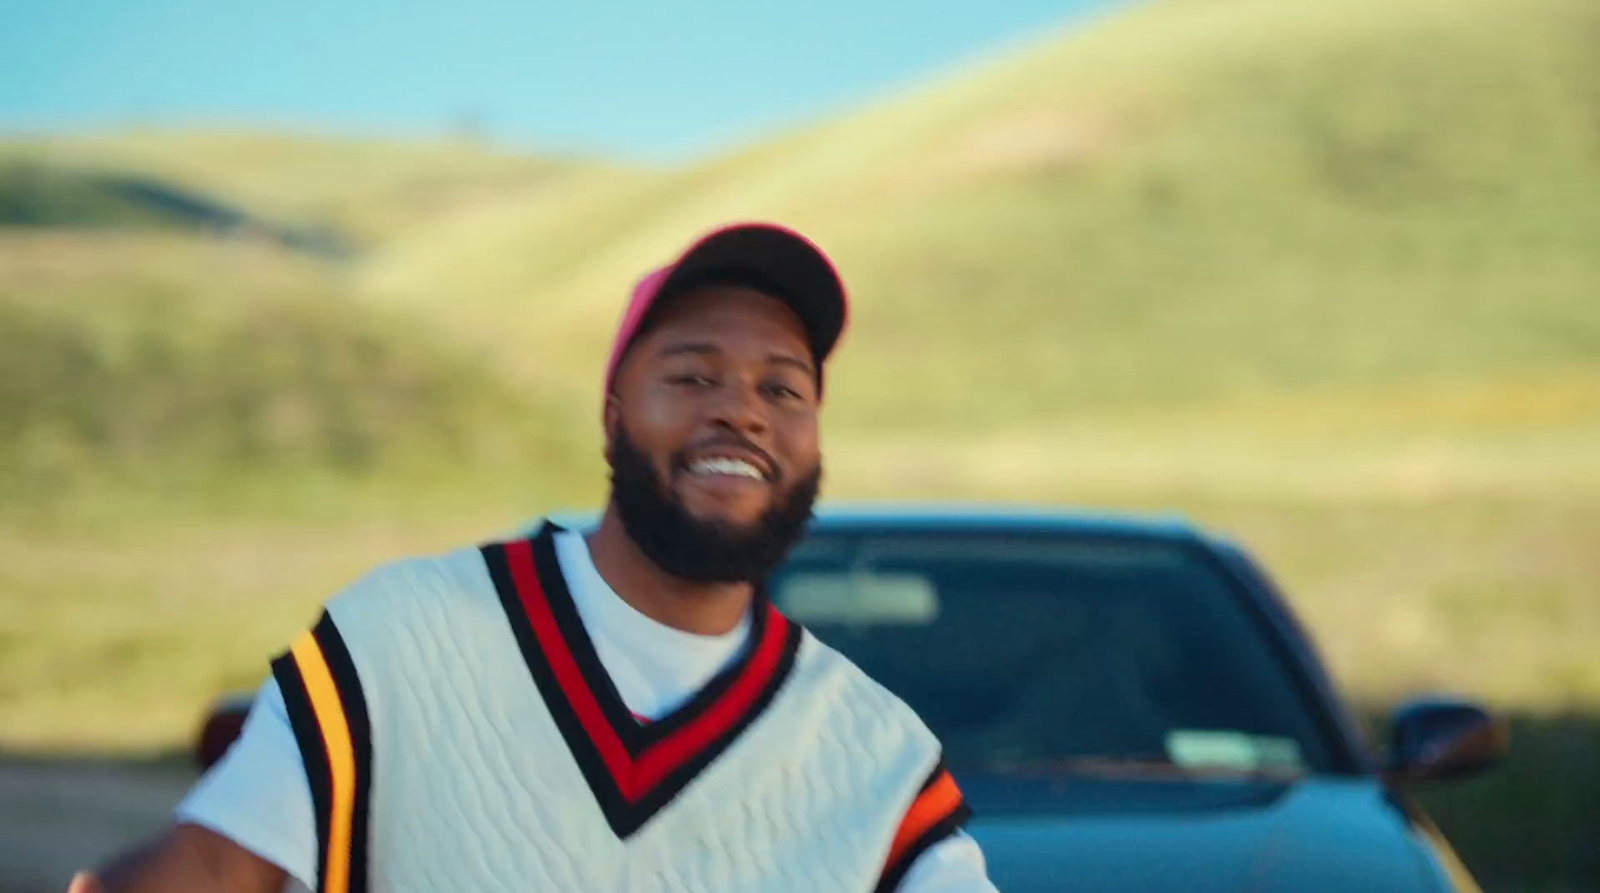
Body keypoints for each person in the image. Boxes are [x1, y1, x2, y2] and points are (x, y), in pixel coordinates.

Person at [69, 222, 999, 893]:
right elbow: (213, 867)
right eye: (692, 374)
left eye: (782, 387)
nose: (742, 409)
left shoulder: (879, 760)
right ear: (612, 416)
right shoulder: (404, 637)